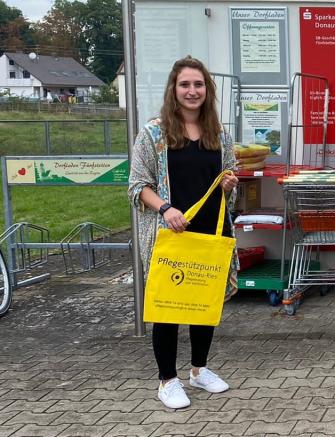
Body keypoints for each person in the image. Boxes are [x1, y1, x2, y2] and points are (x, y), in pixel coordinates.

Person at [128, 56, 238, 409]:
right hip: (170, 232)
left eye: (199, 84)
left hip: (209, 231)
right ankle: (167, 380)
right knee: (168, 307)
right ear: (173, 90)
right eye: (185, 85)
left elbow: (228, 176)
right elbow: (137, 185)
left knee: (202, 304)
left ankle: (199, 370)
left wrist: (229, 183)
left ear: (208, 90)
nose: (193, 91)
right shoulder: (153, 133)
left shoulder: (220, 134)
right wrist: (165, 208)